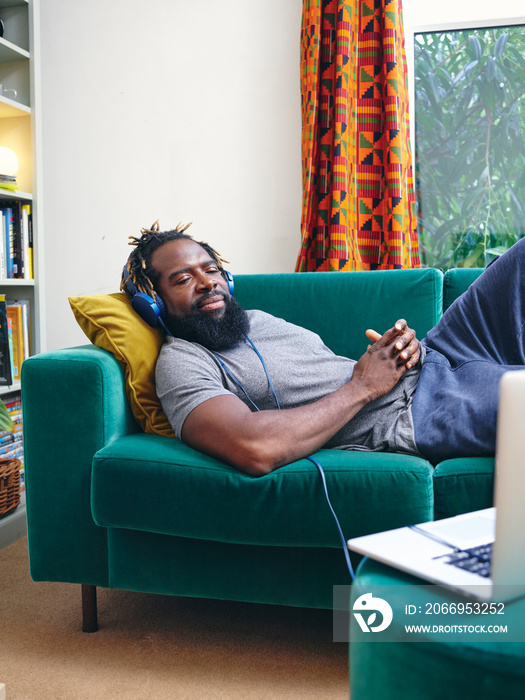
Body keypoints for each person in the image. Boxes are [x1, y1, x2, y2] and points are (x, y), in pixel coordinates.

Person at [122, 223, 525, 476]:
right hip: (416, 408)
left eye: (211, 270)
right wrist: (364, 386)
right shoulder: (182, 363)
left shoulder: (256, 320)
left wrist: (401, 352)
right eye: (182, 279)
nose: (207, 283)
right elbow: (252, 448)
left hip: (438, 354)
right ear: (152, 302)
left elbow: (340, 373)